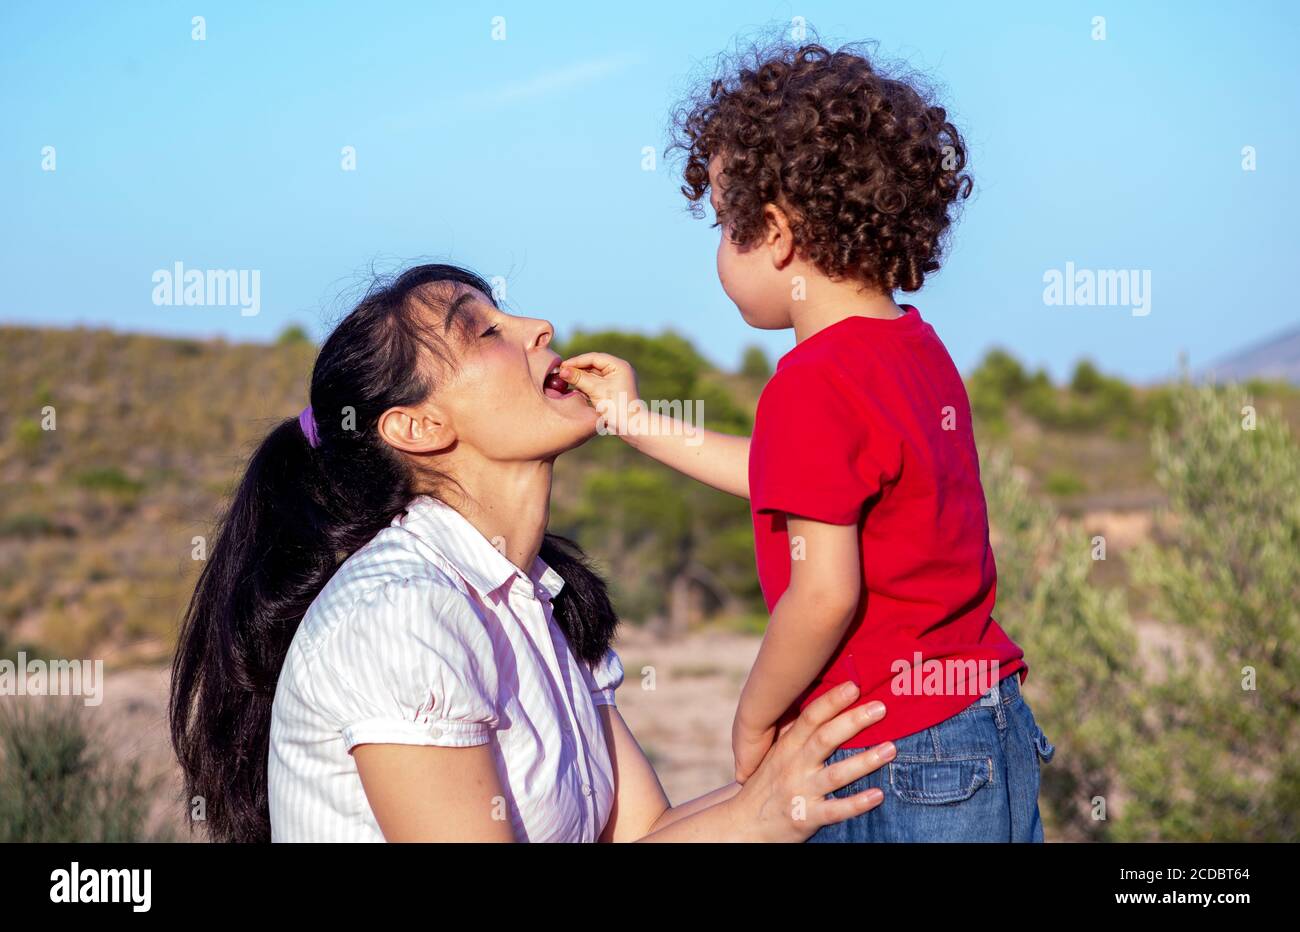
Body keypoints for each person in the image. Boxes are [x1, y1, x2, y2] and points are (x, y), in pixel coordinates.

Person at [169, 263, 897, 842]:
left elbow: (648, 831)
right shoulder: (398, 616)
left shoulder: (535, 600)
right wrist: (752, 818)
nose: (538, 327)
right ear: (416, 427)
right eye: (485, 332)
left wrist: (786, 788)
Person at [558, 41, 1055, 842]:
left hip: (890, 755)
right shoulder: (914, 351)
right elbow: (785, 476)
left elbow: (824, 593)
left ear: (779, 236)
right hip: (989, 723)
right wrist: (633, 420)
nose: (719, 250)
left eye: (725, 224)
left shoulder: (812, 381)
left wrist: (755, 717)